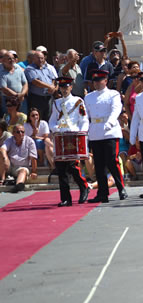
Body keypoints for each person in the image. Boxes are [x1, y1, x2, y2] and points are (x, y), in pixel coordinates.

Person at [84, 70, 127, 203]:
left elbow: (116, 109)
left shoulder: (113, 94)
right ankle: (102, 192)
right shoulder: (88, 97)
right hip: (96, 131)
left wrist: (110, 122)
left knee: (112, 161)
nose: (97, 83)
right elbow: (86, 115)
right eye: (95, 81)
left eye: (99, 80)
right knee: (99, 164)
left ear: (106, 81)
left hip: (110, 131)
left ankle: (121, 188)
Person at [48, 77, 90, 206]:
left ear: (71, 87)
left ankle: (84, 187)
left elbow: (83, 119)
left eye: (66, 87)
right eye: (62, 87)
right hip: (61, 137)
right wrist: (55, 129)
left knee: (73, 166)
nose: (64, 90)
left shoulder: (78, 101)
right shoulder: (56, 103)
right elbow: (52, 120)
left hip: (73, 136)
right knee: (61, 168)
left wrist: (82, 133)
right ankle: (66, 198)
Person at [0, 124, 37, 192]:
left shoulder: (29, 141)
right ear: (13, 133)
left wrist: (34, 171)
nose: (20, 133)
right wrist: (5, 158)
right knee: (1, 155)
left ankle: (19, 185)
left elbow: (33, 157)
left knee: (23, 171)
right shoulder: (9, 140)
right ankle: (2, 179)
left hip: (22, 166)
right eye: (18, 132)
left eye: (22, 132)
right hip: (9, 166)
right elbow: (2, 149)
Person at [24, 51, 58, 121]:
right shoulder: (29, 69)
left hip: (48, 98)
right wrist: (49, 86)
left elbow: (53, 79)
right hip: (37, 98)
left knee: (49, 118)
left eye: (42, 58)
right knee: (37, 119)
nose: (40, 60)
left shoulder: (46, 68)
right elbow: (35, 82)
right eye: (38, 58)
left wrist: (53, 87)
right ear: (33, 58)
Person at [1, 51, 28, 115]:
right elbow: (4, 88)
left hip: (21, 99)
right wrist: (17, 96)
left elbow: (25, 83)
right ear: (3, 61)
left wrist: (22, 94)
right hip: (8, 100)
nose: (12, 60)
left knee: (23, 117)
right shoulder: (1, 71)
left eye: (13, 58)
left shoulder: (18, 67)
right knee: (9, 120)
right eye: (9, 59)